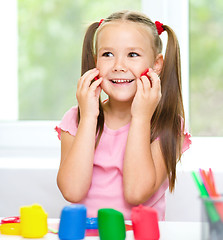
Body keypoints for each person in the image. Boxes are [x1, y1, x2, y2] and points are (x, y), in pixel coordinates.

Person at [55, 10, 191, 220]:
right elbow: (72, 192)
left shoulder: (168, 125)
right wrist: (89, 117)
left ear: (157, 64)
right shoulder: (76, 119)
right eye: (107, 54)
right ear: (95, 62)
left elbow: (136, 193)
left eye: (133, 55)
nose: (118, 66)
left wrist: (141, 118)